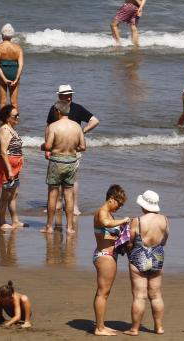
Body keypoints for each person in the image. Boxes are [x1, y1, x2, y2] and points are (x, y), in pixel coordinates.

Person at [45, 84, 99, 217]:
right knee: (55, 178)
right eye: (65, 96)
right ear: (59, 96)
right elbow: (48, 127)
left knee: (72, 179)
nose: (68, 98)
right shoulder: (55, 109)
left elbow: (95, 121)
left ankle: (74, 206)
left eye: (70, 95)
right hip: (56, 149)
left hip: (74, 149)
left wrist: (82, 131)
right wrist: (47, 147)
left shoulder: (78, 108)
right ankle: (57, 203)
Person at [125, 190, 169, 336]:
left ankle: (134, 329)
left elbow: (130, 242)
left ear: (143, 205)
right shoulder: (164, 220)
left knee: (139, 296)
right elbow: (165, 240)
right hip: (157, 257)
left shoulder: (137, 221)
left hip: (139, 258)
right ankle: (159, 327)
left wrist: (128, 250)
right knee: (156, 295)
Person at [41, 101, 86, 235]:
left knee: (52, 194)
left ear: (58, 111)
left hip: (57, 161)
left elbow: (48, 146)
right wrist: (71, 148)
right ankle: (70, 227)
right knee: (69, 195)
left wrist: (42, 146)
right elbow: (83, 147)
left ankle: (49, 227)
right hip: (71, 161)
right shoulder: (77, 126)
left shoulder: (53, 126)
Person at [93, 185, 130, 336]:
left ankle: (101, 325)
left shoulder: (110, 214)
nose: (120, 207)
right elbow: (105, 223)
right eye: (119, 203)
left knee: (105, 293)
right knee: (102, 292)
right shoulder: (102, 212)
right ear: (111, 198)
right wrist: (124, 221)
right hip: (104, 256)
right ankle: (99, 328)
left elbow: (110, 233)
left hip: (108, 256)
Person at [0, 105, 26, 230]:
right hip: (7, 166)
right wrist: (9, 170)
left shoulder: (11, 128)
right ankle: (2, 222)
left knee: (14, 194)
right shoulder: (4, 130)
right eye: (15, 116)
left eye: (18, 115)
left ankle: (15, 221)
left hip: (15, 166)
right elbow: (3, 151)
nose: (18, 117)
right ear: (8, 118)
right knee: (5, 195)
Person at [0, 23, 24, 109]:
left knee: (2, 101)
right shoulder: (18, 48)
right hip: (14, 73)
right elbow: (21, 65)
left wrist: (4, 79)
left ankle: (3, 120)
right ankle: (15, 119)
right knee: (14, 102)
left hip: (2, 74)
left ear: (2, 34)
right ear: (12, 36)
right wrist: (17, 78)